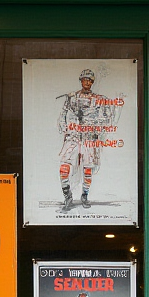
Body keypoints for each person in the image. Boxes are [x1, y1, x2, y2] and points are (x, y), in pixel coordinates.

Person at [57, 68, 116, 210]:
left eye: (89, 80)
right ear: (81, 80)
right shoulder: (72, 97)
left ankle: (84, 195)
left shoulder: (99, 99)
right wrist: (65, 128)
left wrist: (98, 127)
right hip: (74, 136)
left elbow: (107, 116)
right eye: (85, 79)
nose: (87, 82)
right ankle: (67, 196)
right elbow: (63, 115)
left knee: (87, 170)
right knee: (64, 168)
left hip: (89, 137)